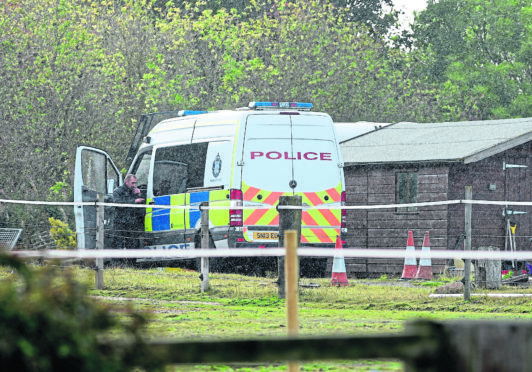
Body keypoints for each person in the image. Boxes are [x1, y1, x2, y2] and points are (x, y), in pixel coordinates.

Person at [112, 174, 145, 250]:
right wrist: (133, 201)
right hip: (120, 222)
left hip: (132, 222)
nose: (134, 185)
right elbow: (118, 204)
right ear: (127, 182)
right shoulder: (118, 191)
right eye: (132, 183)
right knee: (118, 244)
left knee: (133, 245)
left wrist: (139, 194)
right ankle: (118, 262)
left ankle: (131, 262)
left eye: (135, 183)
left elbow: (142, 206)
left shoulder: (135, 192)